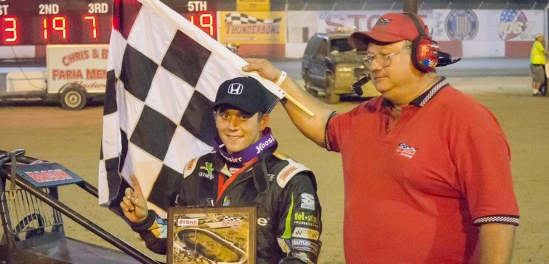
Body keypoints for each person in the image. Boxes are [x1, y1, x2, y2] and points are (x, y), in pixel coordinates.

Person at [243, 12, 519, 263]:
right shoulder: (367, 115)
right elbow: (321, 125)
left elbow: (497, 218)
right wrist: (278, 81)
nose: (374, 65)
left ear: (423, 54)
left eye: (385, 55)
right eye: (370, 57)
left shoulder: (467, 119)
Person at [120, 76, 322, 263]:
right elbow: (179, 242)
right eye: (225, 115)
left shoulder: (291, 180)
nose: (232, 126)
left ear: (263, 121)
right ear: (215, 118)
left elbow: (302, 257)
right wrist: (145, 221)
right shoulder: (195, 170)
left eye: (243, 117)